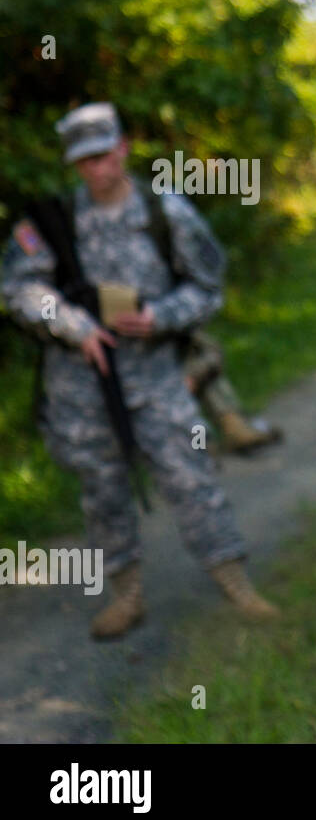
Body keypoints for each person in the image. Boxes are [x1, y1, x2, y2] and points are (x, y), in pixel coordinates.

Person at [1, 102, 278, 639]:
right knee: (102, 491)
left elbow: (208, 288)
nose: (98, 169)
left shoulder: (166, 213)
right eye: (85, 160)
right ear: (72, 162)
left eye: (105, 155)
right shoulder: (52, 222)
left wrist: (159, 318)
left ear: (124, 148)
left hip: (156, 377)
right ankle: (126, 596)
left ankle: (236, 584)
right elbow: (17, 288)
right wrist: (71, 323)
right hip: (81, 383)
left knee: (192, 478)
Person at [183, 330, 283, 454]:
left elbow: (213, 351)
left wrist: (193, 376)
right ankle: (200, 448)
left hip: (183, 381)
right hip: (162, 394)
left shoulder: (171, 323)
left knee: (210, 377)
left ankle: (234, 428)